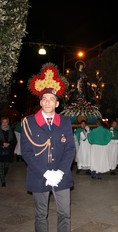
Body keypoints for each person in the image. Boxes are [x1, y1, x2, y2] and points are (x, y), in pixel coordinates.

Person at [21, 63, 76, 232]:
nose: (47, 102)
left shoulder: (65, 121)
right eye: (44, 99)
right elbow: (27, 152)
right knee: (40, 215)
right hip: (39, 175)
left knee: (65, 214)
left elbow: (70, 149)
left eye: (51, 99)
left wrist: (59, 172)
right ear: (40, 102)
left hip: (61, 176)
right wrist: (45, 172)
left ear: (57, 103)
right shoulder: (29, 122)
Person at [0, 116, 17, 187]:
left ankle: (2, 176)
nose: (4, 123)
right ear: (1, 122)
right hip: (0, 150)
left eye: (6, 122)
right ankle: (3, 180)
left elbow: (15, 141)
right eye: (3, 122)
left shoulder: (11, 130)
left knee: (6, 166)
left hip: (8, 151)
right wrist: (2, 143)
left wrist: (9, 144)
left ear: (8, 123)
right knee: (1, 166)